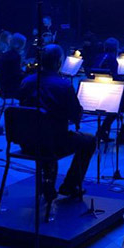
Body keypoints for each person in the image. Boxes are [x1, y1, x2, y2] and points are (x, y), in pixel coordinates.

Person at [18, 44, 96, 198]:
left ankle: (47, 181)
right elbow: (75, 115)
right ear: (58, 63)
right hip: (52, 143)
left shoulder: (26, 81)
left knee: (44, 130)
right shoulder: (63, 85)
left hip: (26, 142)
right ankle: (70, 185)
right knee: (89, 141)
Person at [91, 38, 124, 144]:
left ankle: (102, 131)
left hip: (97, 95)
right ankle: (123, 135)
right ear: (116, 49)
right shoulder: (113, 61)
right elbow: (116, 82)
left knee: (115, 107)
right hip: (110, 95)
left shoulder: (98, 57)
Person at [0, 32, 26, 99]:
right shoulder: (15, 56)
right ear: (18, 45)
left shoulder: (6, 54)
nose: (24, 46)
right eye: (23, 44)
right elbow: (16, 74)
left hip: (3, 85)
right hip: (10, 87)